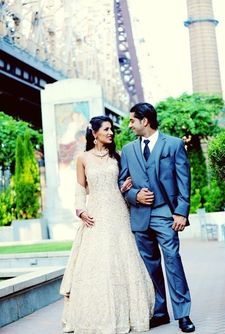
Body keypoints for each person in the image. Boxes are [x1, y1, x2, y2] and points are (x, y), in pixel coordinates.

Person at [60, 115, 154, 334]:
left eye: (112, 129)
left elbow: (122, 184)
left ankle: (128, 315)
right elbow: (80, 188)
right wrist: (80, 209)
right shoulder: (83, 158)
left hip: (118, 213)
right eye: (106, 129)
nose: (111, 133)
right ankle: (96, 317)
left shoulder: (118, 157)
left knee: (123, 259)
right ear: (94, 133)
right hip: (95, 216)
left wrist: (125, 188)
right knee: (97, 262)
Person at [118, 103, 195, 333]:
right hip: (140, 217)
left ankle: (183, 314)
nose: (130, 125)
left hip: (165, 214)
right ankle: (160, 312)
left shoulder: (173, 144)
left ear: (145, 121)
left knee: (172, 261)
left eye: (132, 120)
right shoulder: (129, 149)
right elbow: (121, 184)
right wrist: (135, 195)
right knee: (150, 267)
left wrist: (181, 211)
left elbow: (184, 180)